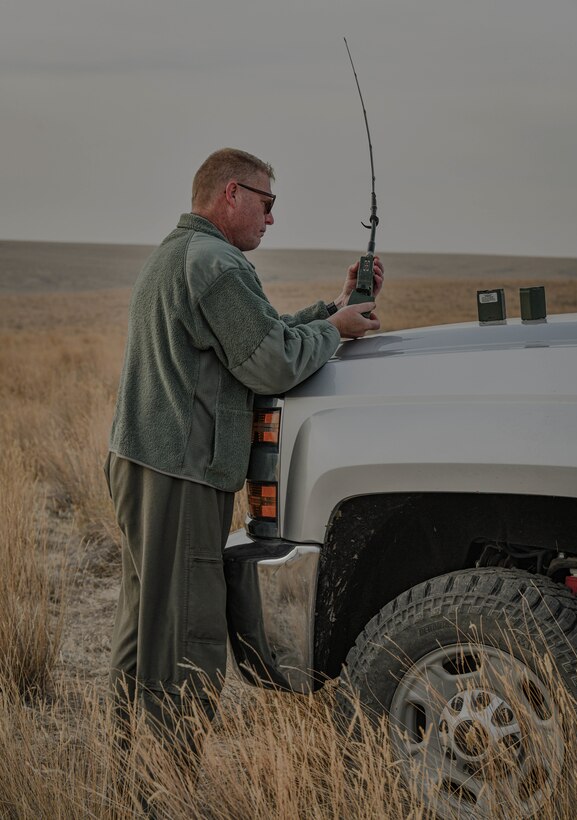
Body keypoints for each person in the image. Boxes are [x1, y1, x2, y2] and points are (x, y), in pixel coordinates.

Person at [104, 147, 384, 747]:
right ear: (231, 193)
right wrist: (334, 333)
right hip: (178, 473)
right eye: (267, 203)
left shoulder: (180, 254)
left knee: (147, 619)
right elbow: (273, 361)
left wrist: (334, 309)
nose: (272, 219)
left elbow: (257, 336)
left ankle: (129, 772)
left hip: (143, 462)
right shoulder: (218, 264)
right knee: (186, 628)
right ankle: (165, 785)